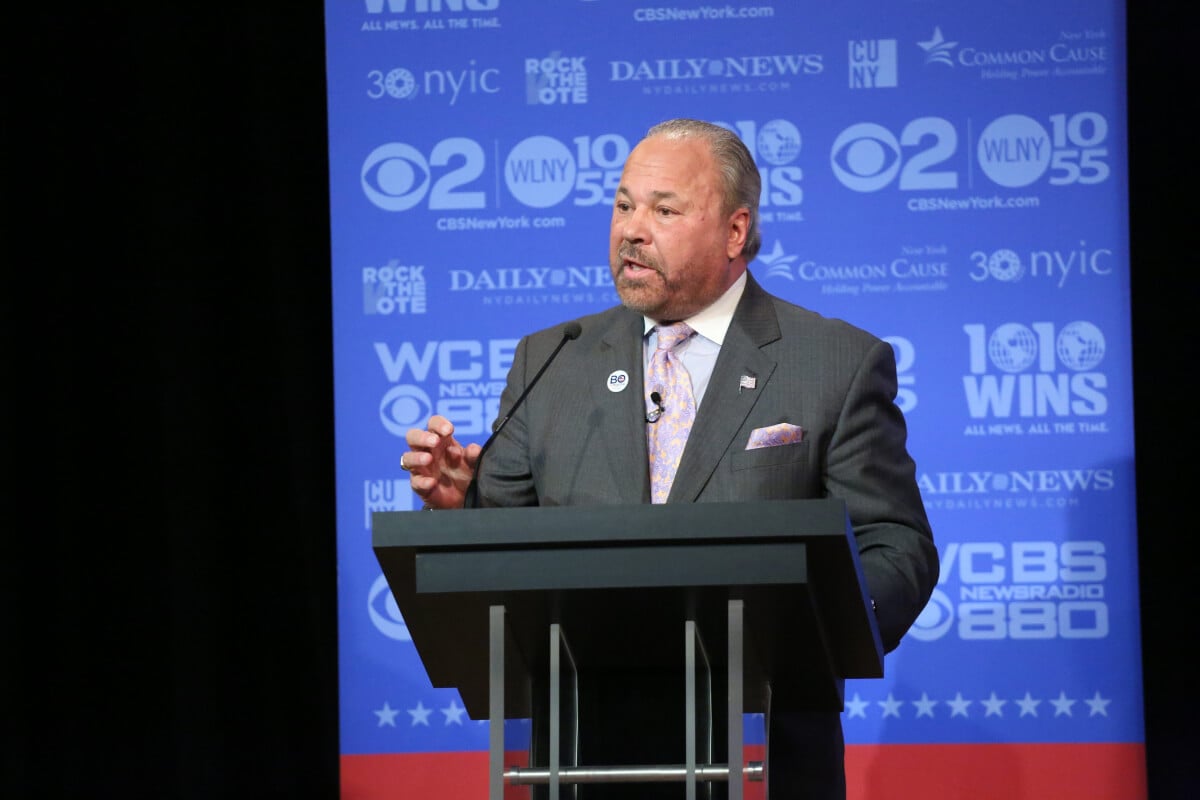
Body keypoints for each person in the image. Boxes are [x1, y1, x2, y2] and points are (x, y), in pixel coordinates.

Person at [401, 118, 938, 799]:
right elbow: (509, 554)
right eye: (623, 205)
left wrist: (813, 630)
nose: (631, 229)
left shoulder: (832, 364)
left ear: (735, 232)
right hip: (585, 759)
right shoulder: (553, 360)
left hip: (765, 759)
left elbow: (897, 545)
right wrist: (461, 512)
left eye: (664, 210)